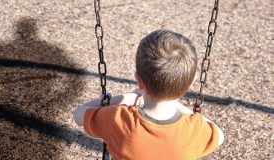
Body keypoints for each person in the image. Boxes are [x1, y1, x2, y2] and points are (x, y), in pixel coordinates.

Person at [73, 29, 224, 160]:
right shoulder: (195, 130)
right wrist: (181, 107)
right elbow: (219, 136)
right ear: (191, 83)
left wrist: (122, 99)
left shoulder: (119, 120)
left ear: (139, 81)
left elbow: (78, 115)